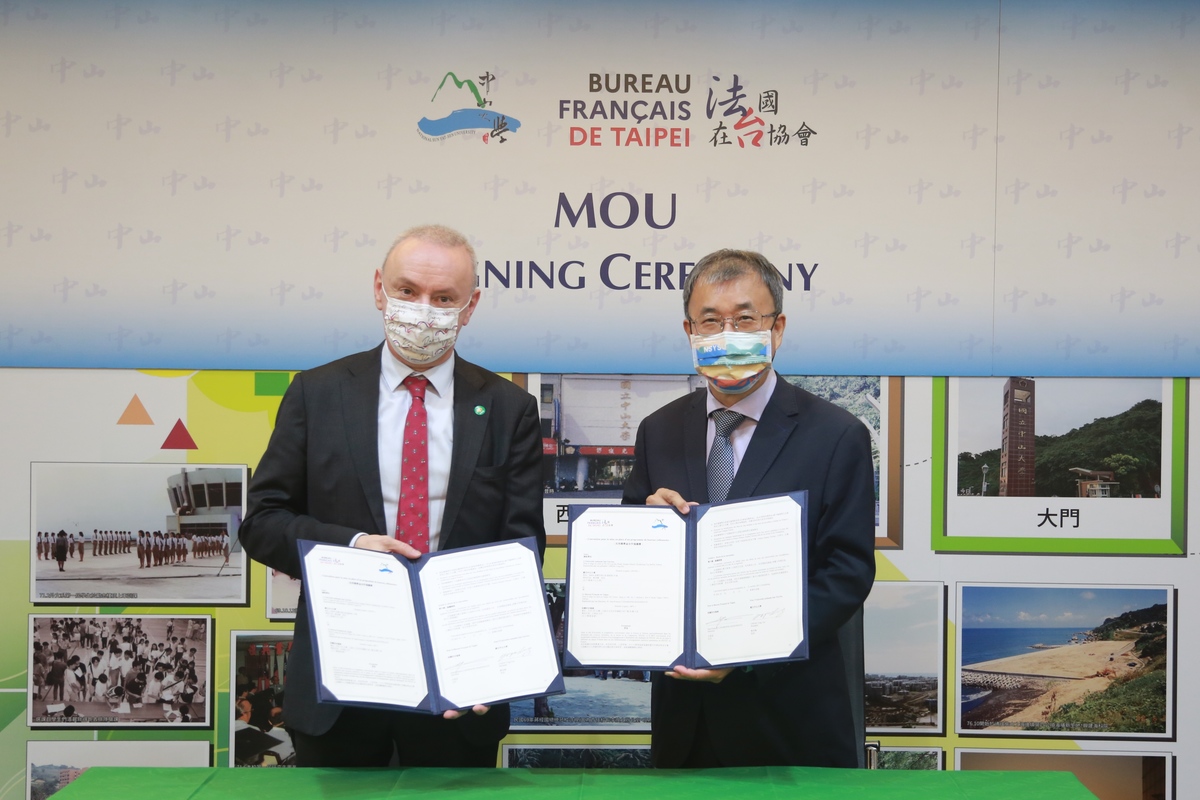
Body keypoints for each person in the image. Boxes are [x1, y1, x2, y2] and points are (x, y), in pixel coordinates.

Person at [240, 223, 545, 768]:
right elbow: (262, 521)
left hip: (458, 691)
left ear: (469, 307)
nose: (423, 309)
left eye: (444, 298)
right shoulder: (317, 392)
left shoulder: (507, 408)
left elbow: (520, 548)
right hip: (340, 684)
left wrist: (492, 663)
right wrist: (352, 546)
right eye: (407, 291)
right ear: (379, 288)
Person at [622, 248, 875, 769]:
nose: (725, 334)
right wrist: (648, 526)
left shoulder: (836, 435)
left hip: (789, 718)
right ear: (689, 330)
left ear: (776, 328)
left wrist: (747, 652)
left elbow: (846, 573)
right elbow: (630, 558)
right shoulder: (659, 430)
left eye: (744, 319)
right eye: (709, 321)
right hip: (684, 715)